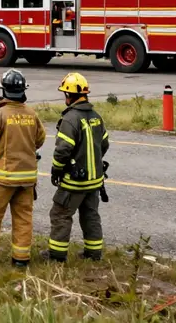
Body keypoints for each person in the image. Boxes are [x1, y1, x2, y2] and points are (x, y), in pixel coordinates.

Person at [0, 69, 46, 268]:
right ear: (22, 91)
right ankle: (21, 259)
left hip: (1, 179)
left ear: (4, 91)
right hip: (27, 179)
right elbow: (39, 140)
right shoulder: (32, 114)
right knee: (23, 218)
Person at [46, 72, 110, 262]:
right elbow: (104, 144)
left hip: (74, 182)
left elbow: (62, 150)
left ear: (69, 95)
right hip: (95, 181)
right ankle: (93, 253)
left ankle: (56, 256)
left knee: (60, 214)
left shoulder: (70, 119)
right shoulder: (96, 117)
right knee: (90, 215)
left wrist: (56, 170)